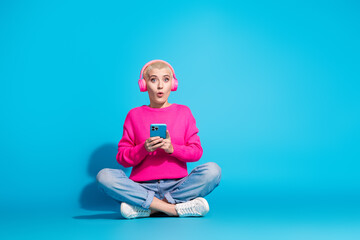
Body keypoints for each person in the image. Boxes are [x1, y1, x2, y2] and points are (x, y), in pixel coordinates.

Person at [96, 59, 221, 219]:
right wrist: (143, 148)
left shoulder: (184, 112)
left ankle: (148, 208)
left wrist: (172, 149)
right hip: (141, 187)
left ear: (173, 84)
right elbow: (122, 159)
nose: (160, 86)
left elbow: (196, 152)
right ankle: (173, 209)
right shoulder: (134, 115)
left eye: (166, 79)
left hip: (177, 185)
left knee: (213, 170)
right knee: (104, 176)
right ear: (144, 84)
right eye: (154, 79)